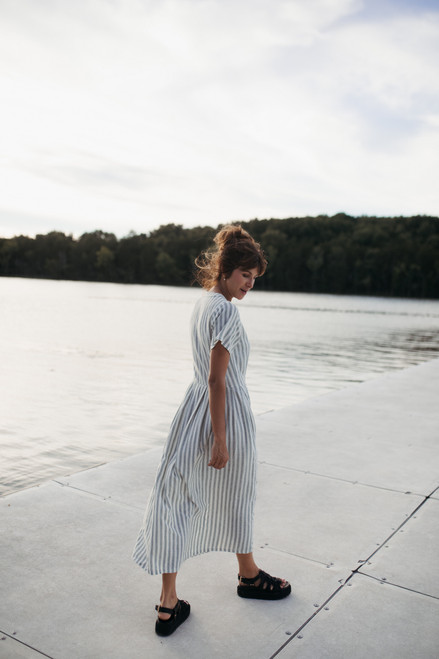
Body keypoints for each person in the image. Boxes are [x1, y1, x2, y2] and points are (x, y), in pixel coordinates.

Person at [133, 224, 291, 636]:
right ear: (224, 270)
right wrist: (220, 438)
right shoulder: (225, 311)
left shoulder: (203, 304)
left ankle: (170, 601)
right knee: (237, 492)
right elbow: (217, 380)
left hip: (193, 411)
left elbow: (208, 379)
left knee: (174, 496)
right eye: (245, 275)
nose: (250, 284)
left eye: (255, 278)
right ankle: (248, 575)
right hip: (224, 413)